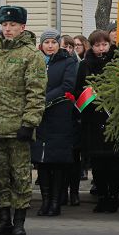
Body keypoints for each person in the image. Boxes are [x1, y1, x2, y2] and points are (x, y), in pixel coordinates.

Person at [0, 6, 46, 235]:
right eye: (5, 25)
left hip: (18, 127)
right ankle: (3, 219)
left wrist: (29, 123)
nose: (8, 29)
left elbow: (36, 93)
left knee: (21, 176)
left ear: (22, 27)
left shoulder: (30, 55)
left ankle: (19, 221)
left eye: (13, 25)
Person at [32, 29, 77, 217]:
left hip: (59, 116)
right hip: (39, 117)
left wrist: (41, 100)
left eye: (53, 42)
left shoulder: (68, 61)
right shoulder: (35, 61)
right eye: (46, 42)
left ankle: (56, 203)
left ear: (59, 44)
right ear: (41, 45)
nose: (50, 46)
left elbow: (67, 86)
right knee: (41, 162)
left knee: (56, 162)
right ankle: (45, 201)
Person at [76, 30, 119, 213]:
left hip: (113, 118)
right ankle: (102, 196)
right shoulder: (86, 64)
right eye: (97, 45)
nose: (101, 48)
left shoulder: (117, 62)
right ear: (91, 46)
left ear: (110, 45)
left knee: (114, 163)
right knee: (98, 162)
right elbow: (79, 89)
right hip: (93, 118)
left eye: (104, 44)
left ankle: (113, 196)